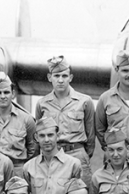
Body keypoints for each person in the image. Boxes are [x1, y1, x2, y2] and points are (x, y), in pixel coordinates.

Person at [34, 55, 95, 186]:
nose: (60, 80)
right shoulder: (42, 104)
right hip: (53, 155)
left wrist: (83, 155)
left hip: (77, 154)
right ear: (49, 78)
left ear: (70, 78)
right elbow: (39, 132)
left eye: (64, 76)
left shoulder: (84, 101)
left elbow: (91, 135)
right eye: (56, 76)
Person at [23, 116, 82, 194]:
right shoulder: (29, 167)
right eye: (42, 136)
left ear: (57, 136)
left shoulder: (73, 164)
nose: (46, 140)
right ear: (36, 137)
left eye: (50, 135)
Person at [0, 72, 37, 176]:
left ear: (13, 94)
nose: (3, 96)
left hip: (17, 172)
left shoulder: (26, 119)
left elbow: (33, 150)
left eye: (6, 92)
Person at [90, 128, 129, 194]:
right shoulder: (97, 177)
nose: (115, 154)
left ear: (128, 149)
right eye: (111, 150)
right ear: (106, 151)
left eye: (119, 149)